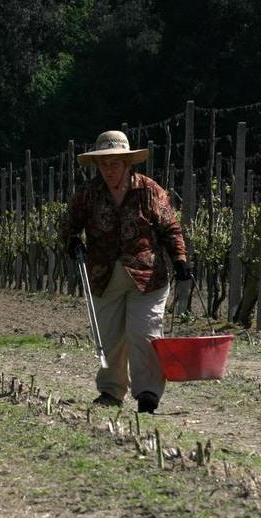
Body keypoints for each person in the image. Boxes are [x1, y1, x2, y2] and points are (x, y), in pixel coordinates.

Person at [59, 130, 191, 414]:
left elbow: (170, 227)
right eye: (103, 164)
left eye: (114, 163)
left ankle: (147, 394)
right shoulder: (87, 195)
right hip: (104, 276)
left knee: (145, 333)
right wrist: (71, 241)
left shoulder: (149, 190)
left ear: (127, 163)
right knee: (109, 338)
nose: (108, 169)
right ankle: (111, 391)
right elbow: (68, 224)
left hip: (147, 275)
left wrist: (179, 257)